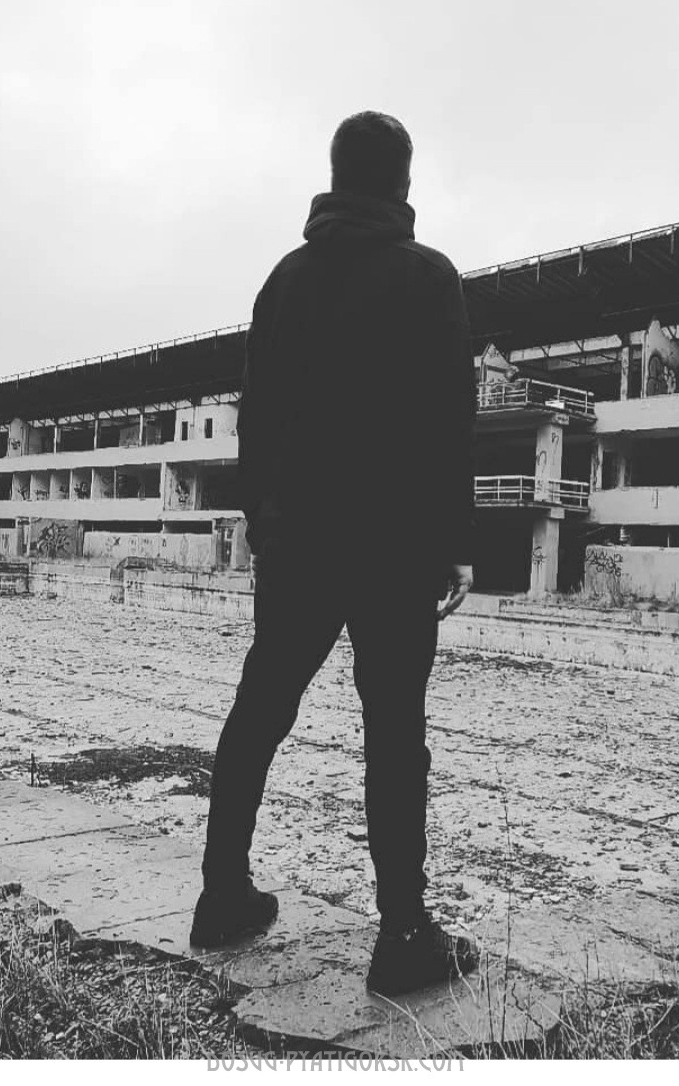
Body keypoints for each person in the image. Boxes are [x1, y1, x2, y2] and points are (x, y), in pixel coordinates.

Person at [191, 111, 479, 995]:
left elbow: (257, 412)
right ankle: (402, 934)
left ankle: (221, 895)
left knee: (259, 711)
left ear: (334, 175)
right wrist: (453, 542)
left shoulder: (286, 279)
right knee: (393, 734)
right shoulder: (429, 277)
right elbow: (448, 419)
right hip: (395, 545)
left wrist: (261, 519)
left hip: (301, 540)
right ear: (402, 181)